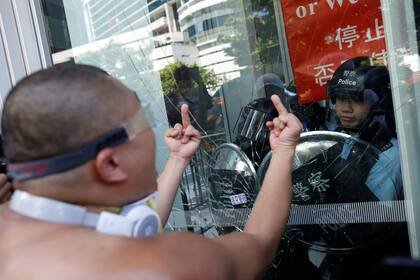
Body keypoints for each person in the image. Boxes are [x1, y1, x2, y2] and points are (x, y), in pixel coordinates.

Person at [0, 63, 302, 279]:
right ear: (111, 163)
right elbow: (258, 247)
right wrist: (284, 150)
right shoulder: (167, 266)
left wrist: (176, 160)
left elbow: (135, 225)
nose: (155, 129)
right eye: (144, 119)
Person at [327, 56, 402, 200]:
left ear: (379, 101)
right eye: (341, 98)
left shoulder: (388, 155)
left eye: (357, 99)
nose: (346, 108)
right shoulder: (341, 135)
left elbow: (378, 217)